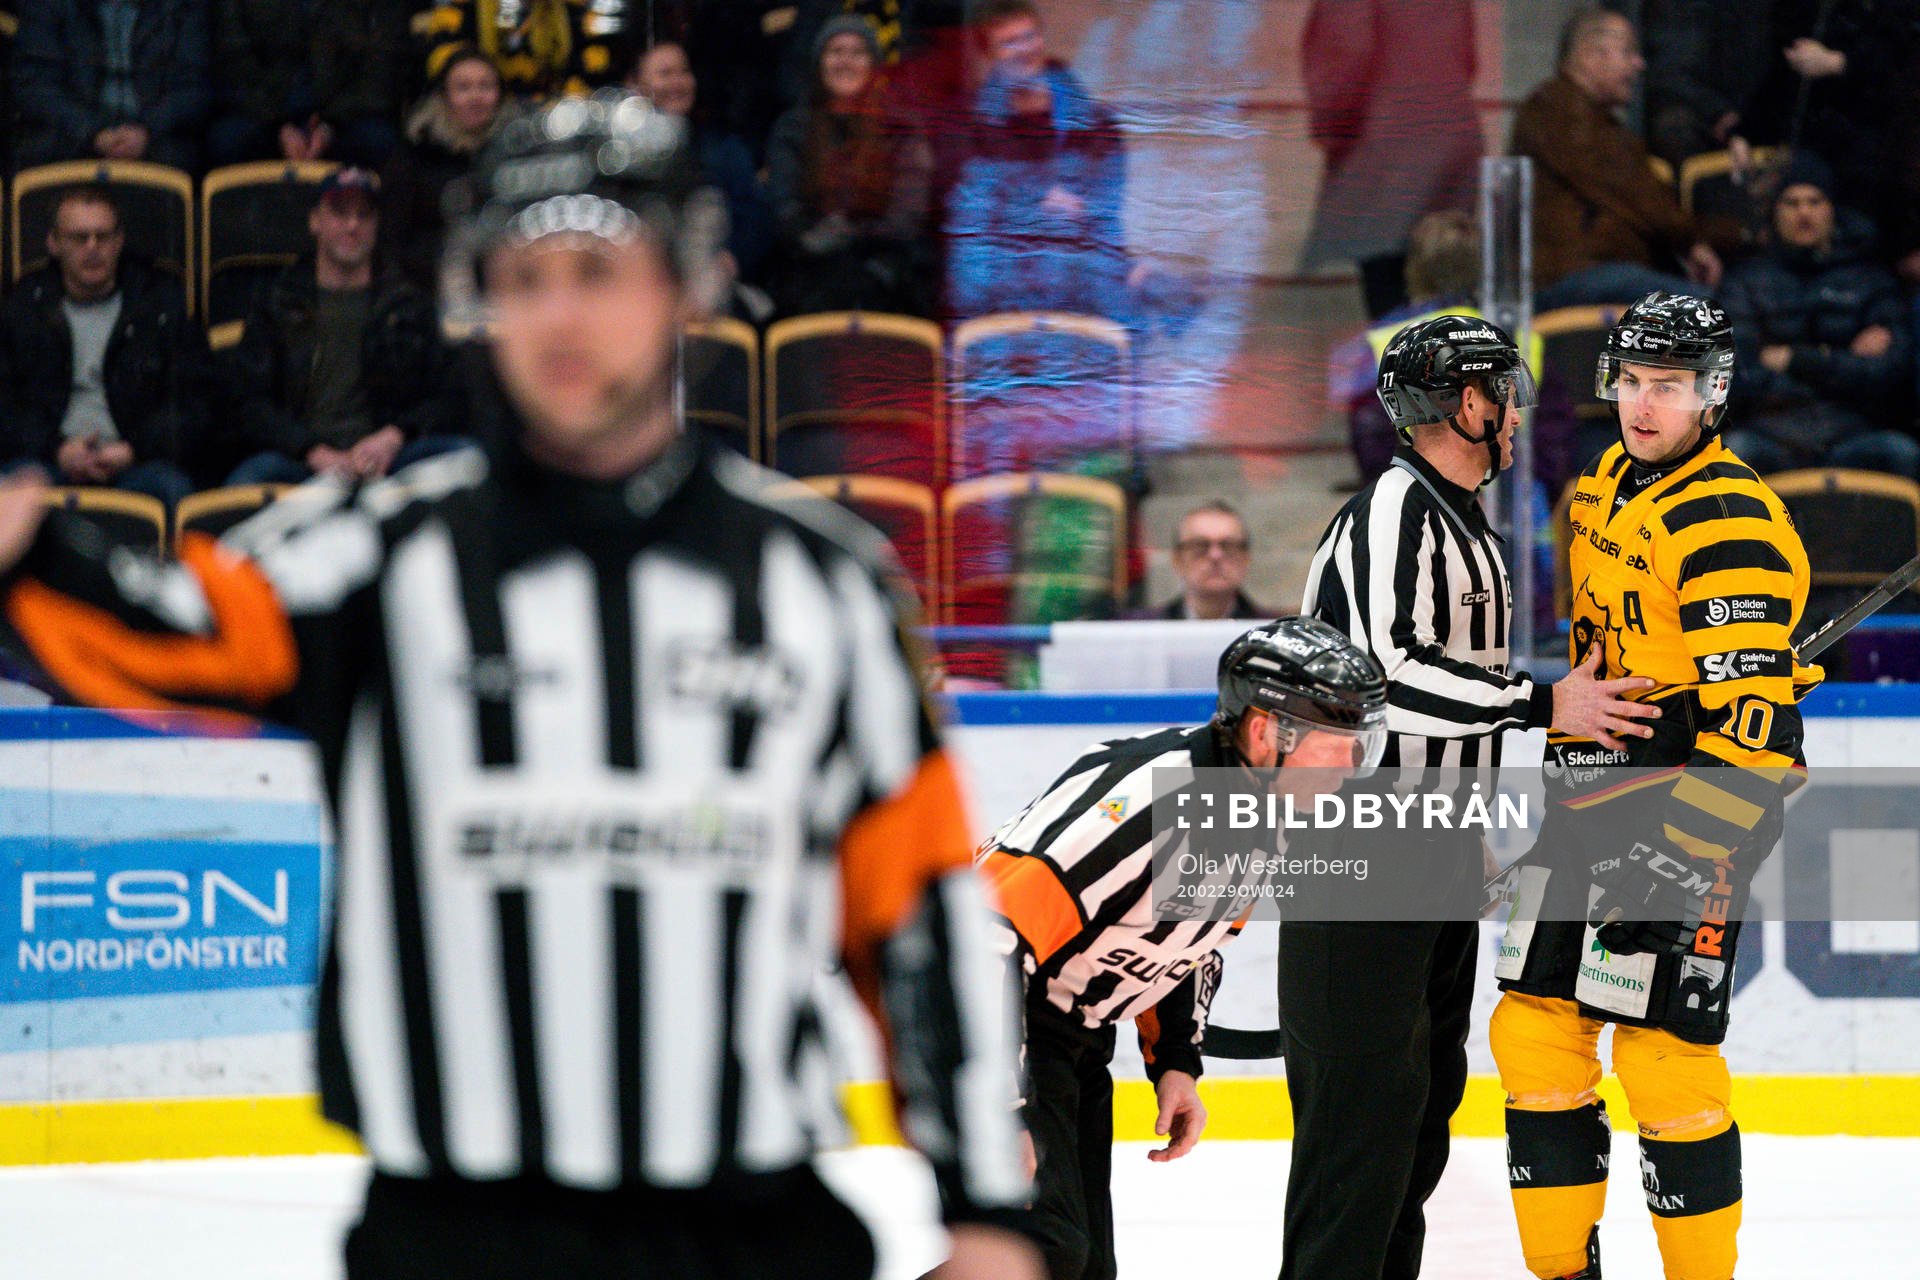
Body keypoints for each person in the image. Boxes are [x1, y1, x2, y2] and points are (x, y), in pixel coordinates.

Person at [0, 91, 1041, 1280]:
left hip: (748, 1231)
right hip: (455, 1236)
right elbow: (174, 630)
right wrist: (32, 551)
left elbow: (915, 907)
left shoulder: (824, 581)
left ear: (685, 284)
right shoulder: (380, 553)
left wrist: (985, 1206)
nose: (559, 312)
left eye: (598, 270)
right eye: (524, 276)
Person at [1291, 314, 1663, 1280]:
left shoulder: (1468, 528)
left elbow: (1450, 707)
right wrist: (1545, 703)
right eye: (1507, 397)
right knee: (1358, 1137)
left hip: (1432, 845)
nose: (1518, 418)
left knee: (1414, 1121)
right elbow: (1383, 676)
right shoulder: (1392, 510)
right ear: (1467, 403)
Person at [1491, 292, 1819, 1280]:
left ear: (1712, 394)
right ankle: (1564, 1271)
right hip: (1587, 799)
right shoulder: (1600, 483)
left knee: (1661, 1054)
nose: (1641, 404)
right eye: (1630, 380)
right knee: (1532, 1031)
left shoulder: (1729, 521)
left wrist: (1679, 859)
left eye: (1667, 386)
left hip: (1687, 815)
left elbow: (1757, 735)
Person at [978, 616, 1388, 1280]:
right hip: (1000, 1032)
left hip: (1071, 1034)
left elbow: (1186, 944)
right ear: (1265, 732)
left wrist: (1174, 1061)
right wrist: (1001, 1108)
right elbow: (985, 938)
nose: (1350, 769)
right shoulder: (1147, 802)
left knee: (1080, 1266)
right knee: (1038, 1253)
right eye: (1336, 746)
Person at [222, 169, 466, 485]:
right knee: (250, 479)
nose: (353, 225)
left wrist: (393, 437)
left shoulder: (408, 302)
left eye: (364, 215)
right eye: (340, 213)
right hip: (301, 461)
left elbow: (448, 395)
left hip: (392, 458)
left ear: (376, 225)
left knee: (465, 458)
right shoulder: (279, 300)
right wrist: (312, 451)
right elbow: (249, 402)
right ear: (315, 221)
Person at [0, 186, 205, 512]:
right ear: (54, 243)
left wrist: (133, 449)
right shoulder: (23, 306)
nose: (92, 248)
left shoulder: (160, 305)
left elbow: (196, 403)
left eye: (103, 236)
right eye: (79, 238)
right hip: (48, 461)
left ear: (119, 241)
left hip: (134, 462)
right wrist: (58, 450)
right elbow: (7, 407)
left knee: (173, 488)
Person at [1716, 153, 1916, 479]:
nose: (1804, 212)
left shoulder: (1870, 280)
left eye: (1814, 201)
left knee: (1901, 454)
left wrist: (1797, 360)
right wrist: (1842, 364)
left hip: (1852, 433)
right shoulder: (1744, 281)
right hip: (1772, 434)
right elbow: (1736, 375)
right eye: (1791, 203)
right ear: (1775, 212)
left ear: (1831, 209)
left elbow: (1891, 372)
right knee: (1735, 453)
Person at [1512, 9, 1721, 311]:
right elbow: (1640, 195)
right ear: (1589, 55)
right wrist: (1705, 239)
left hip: (1592, 274)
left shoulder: (1581, 117)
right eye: (1627, 52)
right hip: (1573, 277)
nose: (1639, 64)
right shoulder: (1560, 113)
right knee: (1711, 313)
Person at [944, 0, 1130, 323]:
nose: (1025, 50)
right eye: (1009, 42)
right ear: (989, 55)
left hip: (1081, 307)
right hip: (1001, 309)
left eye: (1029, 36)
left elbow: (1106, 225)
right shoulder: (973, 129)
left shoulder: (1095, 125)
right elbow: (971, 231)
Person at [1298, 0, 1483, 320]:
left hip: (1387, 147)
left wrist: (1332, 130)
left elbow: (1345, 57)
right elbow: (1466, 56)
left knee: (1390, 291)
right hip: (1453, 139)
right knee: (1445, 278)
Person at [765, 15, 933, 317]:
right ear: (819, 63)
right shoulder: (792, 128)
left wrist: (856, 239)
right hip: (810, 271)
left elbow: (907, 216)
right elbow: (785, 208)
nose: (846, 62)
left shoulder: (901, 127)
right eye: (836, 51)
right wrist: (815, 240)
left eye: (858, 52)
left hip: (886, 273)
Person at [628, 40, 774, 288]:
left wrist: (730, 261)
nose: (678, 82)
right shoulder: (620, 160)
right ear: (635, 85)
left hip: (714, 287)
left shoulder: (723, 149)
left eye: (684, 72)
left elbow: (756, 220)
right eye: (665, 74)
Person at [207, 0, 413, 169]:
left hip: (345, 113)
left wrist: (330, 125)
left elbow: (381, 69)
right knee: (228, 141)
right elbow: (234, 61)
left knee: (380, 142)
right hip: (266, 114)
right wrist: (279, 126)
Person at [12, 0, 211, 171]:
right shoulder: (47, 4)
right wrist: (92, 132)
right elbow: (36, 86)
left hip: (156, 134)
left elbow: (194, 86)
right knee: (42, 150)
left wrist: (146, 130)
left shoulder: (182, 5)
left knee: (193, 150)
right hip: (73, 132)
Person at [382, 46, 515, 292]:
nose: (475, 97)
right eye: (463, 88)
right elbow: (394, 241)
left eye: (485, 86)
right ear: (444, 96)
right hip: (428, 292)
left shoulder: (517, 156)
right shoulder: (414, 156)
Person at [420, 0, 628, 102]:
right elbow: (445, 76)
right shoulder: (458, 14)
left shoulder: (574, 14)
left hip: (550, 123)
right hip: (484, 125)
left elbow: (596, 75)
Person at [1137, 501, 1268, 621]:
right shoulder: (1140, 629)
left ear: (1246, 558)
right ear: (1177, 559)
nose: (1215, 555)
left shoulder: (1270, 632)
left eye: (1228, 545)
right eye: (1200, 545)